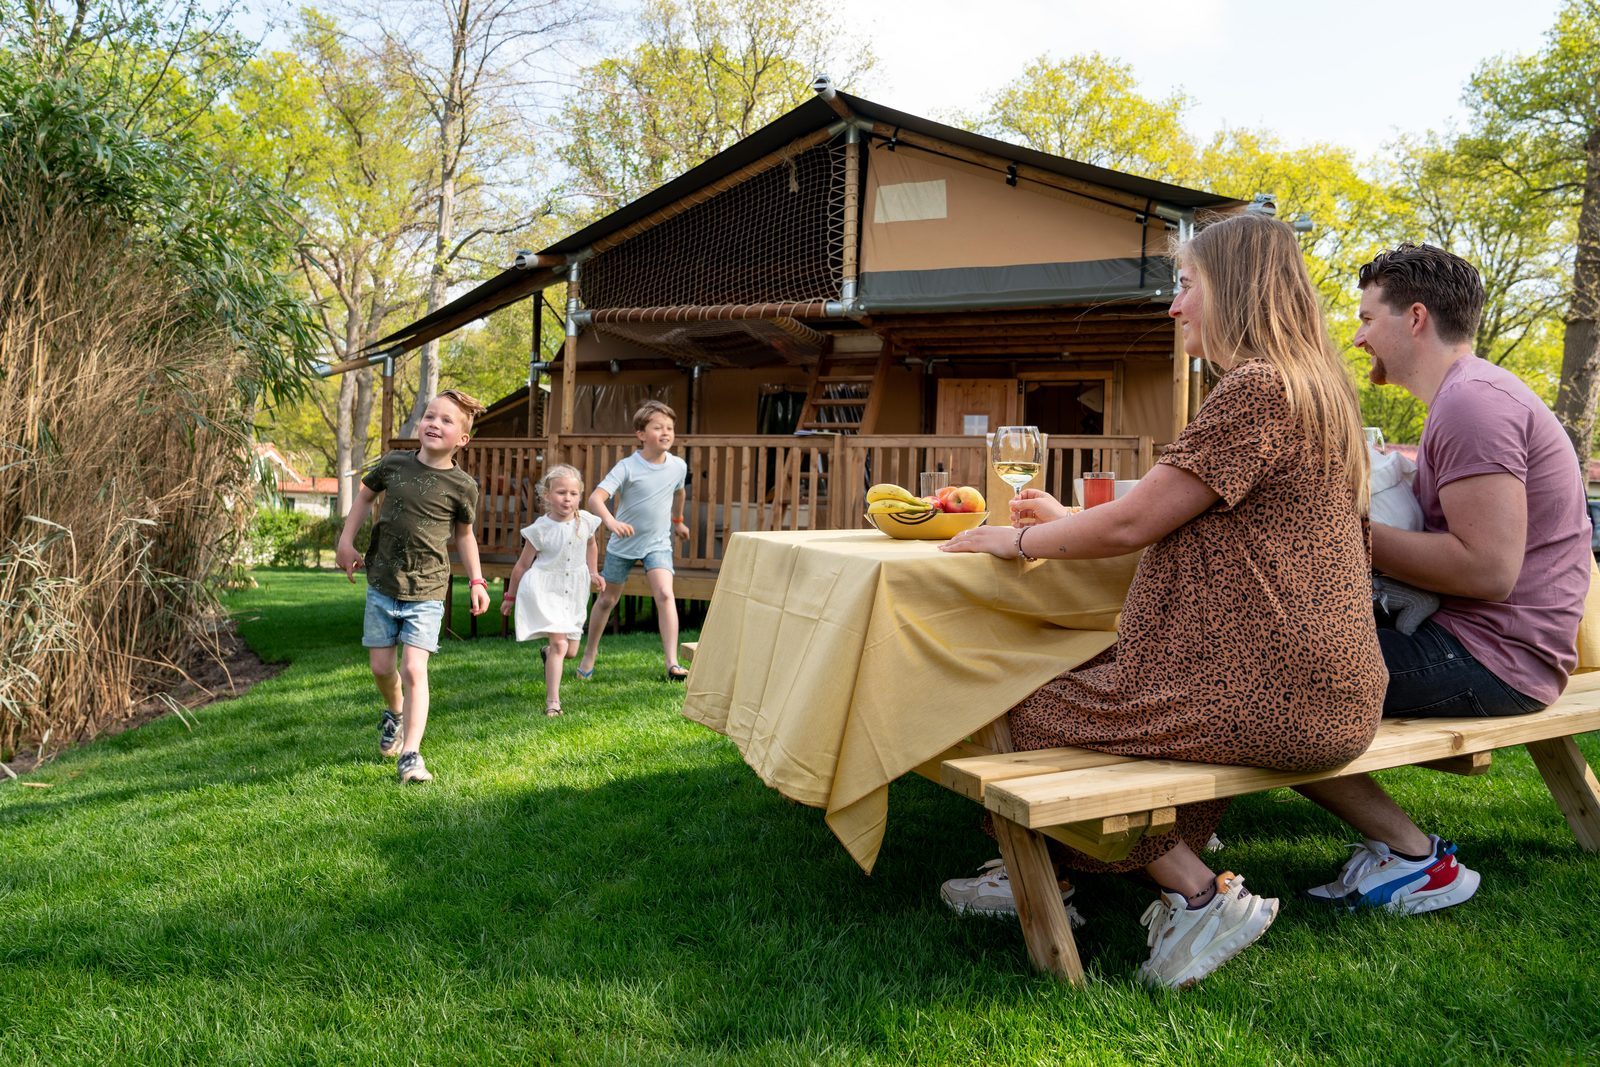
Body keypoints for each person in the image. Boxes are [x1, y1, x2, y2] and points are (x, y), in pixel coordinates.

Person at [939, 213, 1387, 989]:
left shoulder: (1256, 388)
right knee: (1103, 687)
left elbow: (1137, 520)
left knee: (1012, 702)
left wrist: (1009, 542)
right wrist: (1068, 523)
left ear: (1236, 290)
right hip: (1332, 685)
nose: (1174, 307)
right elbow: (1179, 517)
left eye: (1186, 286)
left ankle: (1195, 892)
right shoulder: (1319, 393)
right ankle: (1059, 872)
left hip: (1266, 691)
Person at [1295, 243, 1591, 912]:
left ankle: (1415, 859)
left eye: (1368, 317)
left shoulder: (1473, 405)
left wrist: (1342, 532)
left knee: (1267, 676)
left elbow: (1487, 569)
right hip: (1483, 641)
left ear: (1416, 318)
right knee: (1259, 629)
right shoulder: (1467, 396)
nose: (1358, 334)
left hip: (1495, 659)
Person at [334, 388, 491, 784]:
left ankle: (412, 754)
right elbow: (364, 498)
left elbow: (466, 536)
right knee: (382, 667)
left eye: (446, 421)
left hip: (428, 587)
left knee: (413, 667)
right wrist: (345, 541)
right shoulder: (394, 464)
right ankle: (396, 713)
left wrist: (476, 579)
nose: (434, 424)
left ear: (462, 439)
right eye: (430, 416)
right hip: (383, 582)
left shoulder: (462, 486)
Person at [576, 400, 692, 682]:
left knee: (665, 594)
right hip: (623, 545)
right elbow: (595, 498)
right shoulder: (628, 466)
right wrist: (611, 522)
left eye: (670, 428)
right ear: (641, 434)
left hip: (658, 543)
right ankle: (589, 655)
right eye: (658, 427)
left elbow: (679, 493)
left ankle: (672, 663)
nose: (666, 433)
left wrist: (678, 522)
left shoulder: (678, 466)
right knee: (608, 599)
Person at [501, 464, 605, 717]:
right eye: (560, 493)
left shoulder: (586, 521)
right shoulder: (541, 529)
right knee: (560, 645)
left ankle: (548, 654)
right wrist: (510, 597)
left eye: (573, 493)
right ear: (547, 496)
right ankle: (553, 703)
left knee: (569, 651)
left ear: (579, 495)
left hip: (575, 589)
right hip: (545, 588)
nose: (567, 498)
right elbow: (522, 565)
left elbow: (591, 546)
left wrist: (593, 572)